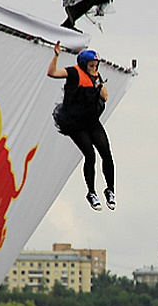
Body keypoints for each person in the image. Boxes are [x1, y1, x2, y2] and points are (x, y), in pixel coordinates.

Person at [47, 41, 116, 211]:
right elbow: (52, 73)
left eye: (95, 65)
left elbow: (105, 97)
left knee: (106, 153)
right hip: (75, 122)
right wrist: (56, 55)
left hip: (91, 120)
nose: (94, 68)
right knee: (90, 155)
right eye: (91, 65)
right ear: (84, 64)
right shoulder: (73, 72)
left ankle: (110, 190)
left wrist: (97, 82)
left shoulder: (96, 76)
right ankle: (91, 192)